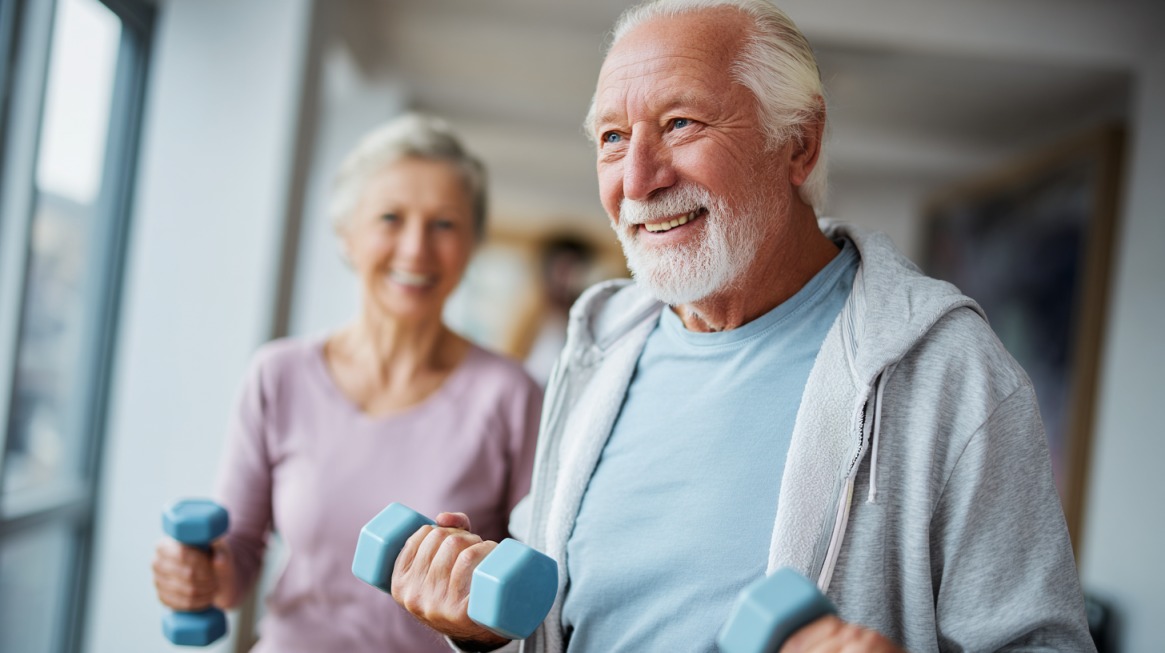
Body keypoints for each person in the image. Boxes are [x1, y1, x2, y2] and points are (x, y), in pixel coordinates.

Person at [387, 2, 1095, 652]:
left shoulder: (949, 369)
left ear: (798, 143)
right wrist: (481, 626)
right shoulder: (595, 347)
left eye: (679, 124)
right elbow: (558, 616)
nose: (636, 179)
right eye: (611, 136)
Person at [150, 113, 543, 652]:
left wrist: (476, 620)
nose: (415, 249)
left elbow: (534, 595)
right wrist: (197, 575)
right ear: (346, 234)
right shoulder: (278, 375)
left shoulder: (512, 395)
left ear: (471, 243)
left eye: (444, 224)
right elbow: (236, 559)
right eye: (390, 218)